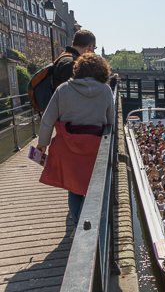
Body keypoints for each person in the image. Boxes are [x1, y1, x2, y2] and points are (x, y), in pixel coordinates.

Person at [37, 53, 114, 235]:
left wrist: (42, 144)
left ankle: (78, 226)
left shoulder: (63, 90)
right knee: (94, 188)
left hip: (68, 148)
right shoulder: (105, 91)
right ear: (102, 71)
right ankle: (92, 226)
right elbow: (110, 122)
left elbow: (47, 120)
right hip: (95, 149)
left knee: (75, 189)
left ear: (78, 69)